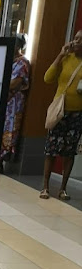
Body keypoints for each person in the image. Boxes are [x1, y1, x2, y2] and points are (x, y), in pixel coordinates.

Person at [41, 30, 82, 200]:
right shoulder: (66, 58)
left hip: (77, 114)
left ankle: (63, 188)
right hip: (60, 111)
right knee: (51, 149)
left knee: (69, 152)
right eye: (75, 38)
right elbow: (47, 78)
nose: (76, 41)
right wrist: (60, 55)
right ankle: (45, 187)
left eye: (80, 40)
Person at [0, 34, 31, 170]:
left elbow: (14, 83)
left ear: (18, 46)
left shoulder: (22, 63)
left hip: (13, 103)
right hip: (3, 100)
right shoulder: (7, 60)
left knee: (9, 130)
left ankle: (2, 159)